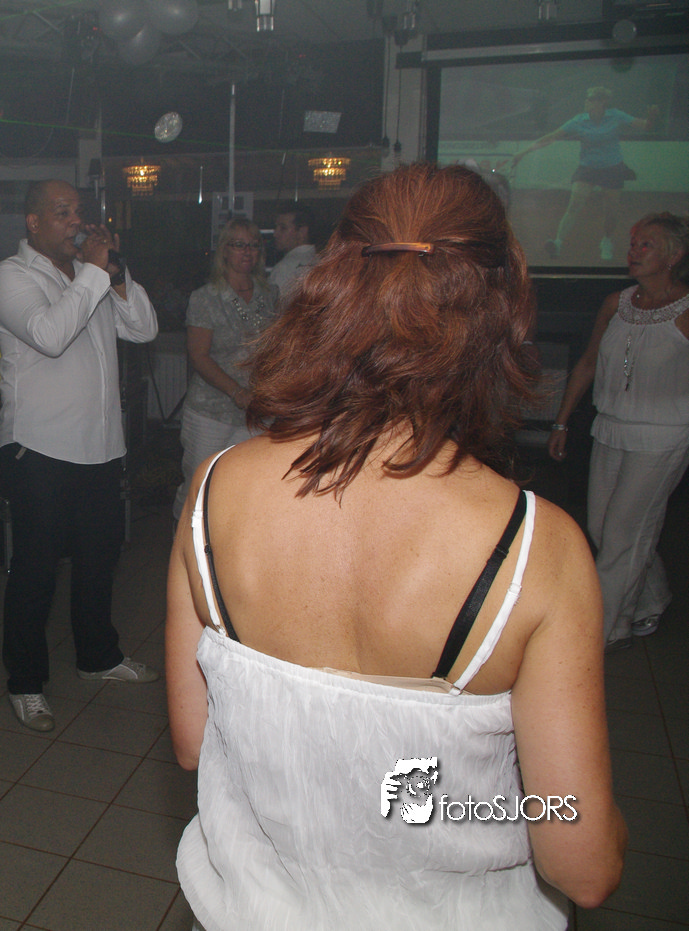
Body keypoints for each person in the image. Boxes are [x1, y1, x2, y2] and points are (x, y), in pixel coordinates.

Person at [166, 164, 625, 929]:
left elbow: (192, 741)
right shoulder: (535, 548)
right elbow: (581, 864)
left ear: (334, 281)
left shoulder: (215, 487)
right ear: (499, 305)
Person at [0, 179, 160, 732]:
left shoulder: (92, 276)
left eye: (78, 212)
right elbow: (51, 335)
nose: (75, 222)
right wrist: (92, 274)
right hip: (39, 448)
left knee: (98, 562)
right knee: (36, 572)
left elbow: (144, 328)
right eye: (61, 213)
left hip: (101, 447)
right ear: (34, 223)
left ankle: (98, 656)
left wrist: (116, 274)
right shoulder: (11, 277)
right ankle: (26, 683)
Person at [547, 212, 689, 651]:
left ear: (674, 256)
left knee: (625, 535)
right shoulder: (617, 302)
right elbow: (588, 362)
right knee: (604, 529)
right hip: (610, 428)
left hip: (663, 436)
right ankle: (652, 598)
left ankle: (607, 629)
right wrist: (561, 420)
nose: (633, 251)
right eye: (632, 243)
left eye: (646, 245)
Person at [171, 218, 279, 520]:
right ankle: (184, 546)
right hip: (211, 412)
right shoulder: (206, 297)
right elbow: (199, 356)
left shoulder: (271, 295)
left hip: (256, 413)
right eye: (239, 245)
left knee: (242, 491)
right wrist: (237, 392)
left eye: (254, 245)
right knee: (199, 489)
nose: (247, 251)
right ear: (224, 251)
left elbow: (276, 350)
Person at [510, 86, 661, 261]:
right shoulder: (579, 120)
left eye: (592, 99)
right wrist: (523, 152)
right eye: (587, 98)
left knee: (611, 210)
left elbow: (646, 126)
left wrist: (652, 117)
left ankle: (606, 241)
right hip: (587, 168)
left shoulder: (616, 115)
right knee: (574, 204)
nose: (587, 102)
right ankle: (558, 243)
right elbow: (551, 136)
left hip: (612, 168)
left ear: (602, 102)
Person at [268, 203, 317, 302]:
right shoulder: (321, 262)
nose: (275, 234)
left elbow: (271, 306)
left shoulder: (284, 268)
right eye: (276, 227)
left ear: (302, 232)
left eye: (283, 228)